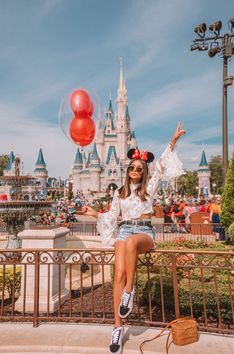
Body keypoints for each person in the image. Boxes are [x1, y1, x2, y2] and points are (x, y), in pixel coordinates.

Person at [81, 123, 185, 354]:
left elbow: (161, 165)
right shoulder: (120, 193)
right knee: (117, 274)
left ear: (144, 171)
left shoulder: (150, 188)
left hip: (144, 233)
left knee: (130, 243)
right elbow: (112, 216)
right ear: (128, 170)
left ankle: (130, 291)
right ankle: (117, 328)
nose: (136, 171)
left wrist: (173, 140)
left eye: (140, 168)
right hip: (124, 231)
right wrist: (95, 213)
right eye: (133, 168)